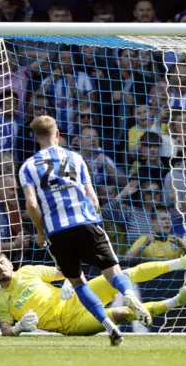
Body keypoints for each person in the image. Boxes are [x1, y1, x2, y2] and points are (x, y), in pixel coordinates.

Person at [19, 115, 148, 345]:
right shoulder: (76, 158)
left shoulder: (28, 166)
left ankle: (109, 327)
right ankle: (128, 295)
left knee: (78, 283)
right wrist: (94, 219)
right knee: (114, 273)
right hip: (87, 222)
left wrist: (40, 231)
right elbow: (93, 198)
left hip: (58, 232)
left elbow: (31, 204)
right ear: (57, 133)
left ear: (36, 138)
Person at [0, 248, 186, 337]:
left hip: (77, 297)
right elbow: (5, 330)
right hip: (70, 324)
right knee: (123, 314)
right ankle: (175, 301)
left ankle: (182, 261)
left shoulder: (28, 271)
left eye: (2, 262)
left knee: (121, 274)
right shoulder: (1, 301)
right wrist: (18, 329)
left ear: (10, 264)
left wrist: (68, 283)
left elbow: (63, 272)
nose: (0, 267)